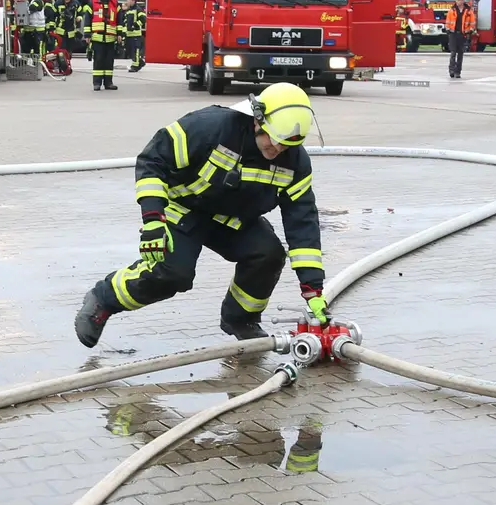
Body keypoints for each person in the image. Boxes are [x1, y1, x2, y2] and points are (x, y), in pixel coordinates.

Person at [73, 82, 330, 347]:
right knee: (173, 274)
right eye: (274, 141)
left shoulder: (295, 163)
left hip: (231, 220)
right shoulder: (210, 127)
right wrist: (152, 219)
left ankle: (241, 319)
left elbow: (303, 224)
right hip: (181, 210)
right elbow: (152, 162)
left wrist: (313, 289)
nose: (277, 151)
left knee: (268, 254)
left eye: (286, 146)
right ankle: (103, 298)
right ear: (257, 119)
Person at [88, 0, 123, 91]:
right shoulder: (93, 2)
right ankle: (97, 83)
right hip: (97, 38)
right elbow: (87, 19)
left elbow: (120, 19)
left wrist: (120, 33)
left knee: (109, 62)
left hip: (110, 38)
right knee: (98, 61)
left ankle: (108, 83)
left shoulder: (115, 2)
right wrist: (87, 34)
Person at [445, 0, 475, 79]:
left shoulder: (469, 11)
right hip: (453, 34)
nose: (457, 2)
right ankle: (451, 70)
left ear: (462, 1)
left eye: (458, 0)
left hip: (463, 34)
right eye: (456, 0)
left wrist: (470, 31)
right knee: (453, 53)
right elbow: (448, 21)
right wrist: (448, 30)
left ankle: (458, 72)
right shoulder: (452, 10)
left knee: (460, 54)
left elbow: (472, 22)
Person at [125, 0, 147, 72]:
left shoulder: (138, 9)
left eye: (129, 0)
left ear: (133, 1)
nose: (127, 1)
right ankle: (140, 62)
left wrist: (135, 25)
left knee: (135, 51)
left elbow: (144, 19)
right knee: (129, 51)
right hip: (128, 34)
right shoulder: (128, 10)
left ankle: (135, 66)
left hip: (135, 34)